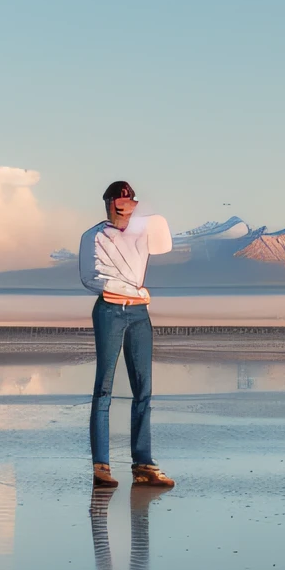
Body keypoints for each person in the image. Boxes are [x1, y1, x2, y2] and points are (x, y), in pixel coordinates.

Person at [78, 180, 175, 489]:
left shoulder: (143, 232)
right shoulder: (92, 236)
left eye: (127, 202)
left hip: (138, 314)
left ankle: (143, 464)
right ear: (106, 204)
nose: (121, 207)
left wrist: (147, 218)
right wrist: (128, 289)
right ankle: (101, 467)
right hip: (109, 311)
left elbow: (165, 242)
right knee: (103, 388)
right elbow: (89, 277)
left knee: (143, 390)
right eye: (115, 202)